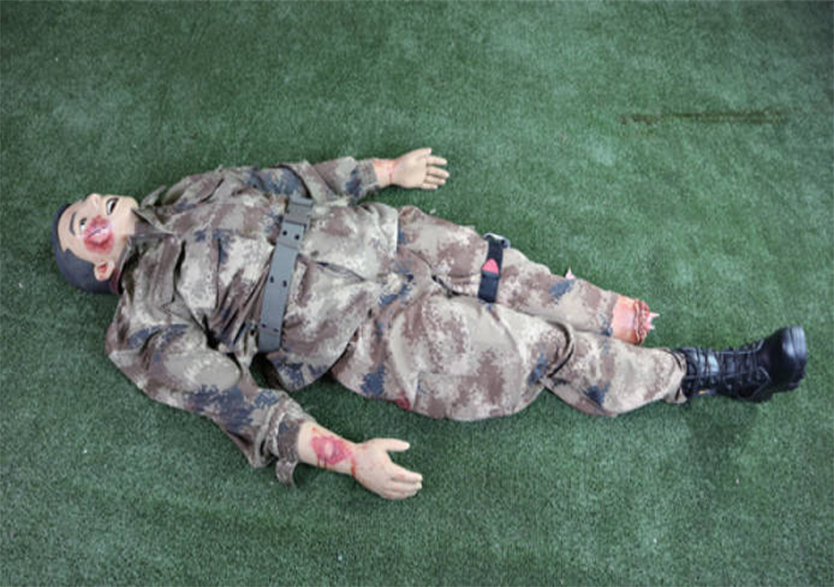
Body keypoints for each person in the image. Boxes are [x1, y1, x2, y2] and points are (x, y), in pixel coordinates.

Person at [51, 148, 807, 500]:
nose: (92, 210)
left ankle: (607, 313)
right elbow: (237, 401)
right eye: (78, 225)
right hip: (367, 332)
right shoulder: (142, 323)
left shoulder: (184, 191)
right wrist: (347, 457)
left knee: (497, 266)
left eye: (91, 201)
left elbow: (285, 181)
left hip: (382, 236)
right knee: (535, 349)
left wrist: (383, 171)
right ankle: (705, 374)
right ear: (100, 266)